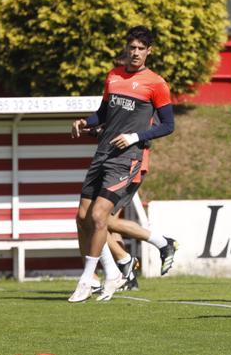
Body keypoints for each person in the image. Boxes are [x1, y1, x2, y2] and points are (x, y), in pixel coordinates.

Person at [69, 26, 178, 303]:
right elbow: (103, 113)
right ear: (126, 49)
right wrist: (86, 122)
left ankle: (89, 278)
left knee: (99, 217)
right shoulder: (114, 76)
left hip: (127, 158)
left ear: (149, 52)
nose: (136, 52)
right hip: (102, 153)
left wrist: (134, 137)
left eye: (141, 48)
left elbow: (168, 125)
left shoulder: (156, 83)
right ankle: (113, 271)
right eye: (132, 47)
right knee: (82, 217)